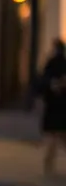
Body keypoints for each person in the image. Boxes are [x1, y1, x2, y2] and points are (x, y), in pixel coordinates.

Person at [38, 38, 66, 175]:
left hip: (54, 106)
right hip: (59, 106)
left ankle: (48, 165)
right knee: (57, 137)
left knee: (53, 138)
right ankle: (48, 165)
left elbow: (44, 81)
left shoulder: (51, 63)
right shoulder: (57, 63)